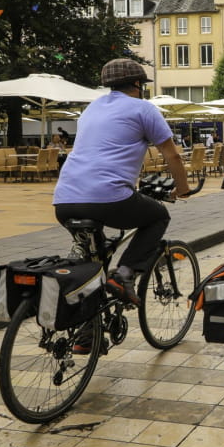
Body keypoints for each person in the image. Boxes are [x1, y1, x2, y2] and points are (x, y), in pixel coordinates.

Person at [53, 58, 193, 305]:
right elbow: (172, 154)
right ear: (138, 84)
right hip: (108, 198)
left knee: (92, 265)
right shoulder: (143, 108)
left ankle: (87, 338)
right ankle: (125, 274)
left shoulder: (91, 109)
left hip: (64, 200)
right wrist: (183, 189)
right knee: (158, 216)